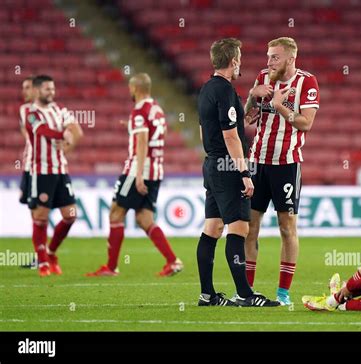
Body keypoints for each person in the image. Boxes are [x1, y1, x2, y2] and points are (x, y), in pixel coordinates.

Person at [197, 38, 279, 307]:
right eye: (239, 58)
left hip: (212, 164)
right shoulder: (226, 91)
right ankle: (245, 294)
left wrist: (243, 119)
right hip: (229, 166)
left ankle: (207, 294)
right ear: (233, 61)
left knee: (212, 227)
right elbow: (231, 137)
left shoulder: (207, 89)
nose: (240, 62)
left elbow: (205, 131)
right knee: (239, 228)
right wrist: (244, 172)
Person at [244, 37, 320, 305]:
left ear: (290, 59)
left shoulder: (306, 82)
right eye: (268, 56)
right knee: (249, 226)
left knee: (286, 228)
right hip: (257, 163)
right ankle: (246, 290)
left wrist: (279, 105)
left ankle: (283, 292)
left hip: (286, 165)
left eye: (274, 57)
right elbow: (246, 116)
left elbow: (306, 123)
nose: (269, 62)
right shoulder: (262, 77)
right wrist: (253, 99)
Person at [87, 73, 183, 277]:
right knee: (144, 218)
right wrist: (132, 128)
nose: (129, 91)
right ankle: (173, 261)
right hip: (156, 169)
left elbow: (141, 141)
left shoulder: (139, 111)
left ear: (136, 89)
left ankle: (111, 268)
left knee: (115, 213)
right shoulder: (156, 109)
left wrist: (138, 175)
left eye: (130, 88)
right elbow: (162, 134)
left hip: (137, 170)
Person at [26, 75, 83, 277]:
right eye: (47, 89)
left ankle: (51, 253)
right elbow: (41, 130)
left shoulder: (60, 110)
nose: (51, 92)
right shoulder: (29, 111)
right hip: (41, 171)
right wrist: (62, 135)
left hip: (61, 170)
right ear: (37, 90)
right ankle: (42, 263)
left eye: (53, 89)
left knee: (70, 215)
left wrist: (68, 143)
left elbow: (77, 131)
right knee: (41, 217)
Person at [18, 76, 36, 269]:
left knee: (39, 212)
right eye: (23, 87)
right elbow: (30, 138)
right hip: (29, 166)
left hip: (42, 168)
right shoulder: (25, 111)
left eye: (28, 87)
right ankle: (41, 254)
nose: (25, 91)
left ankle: (45, 255)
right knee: (34, 212)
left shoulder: (46, 111)